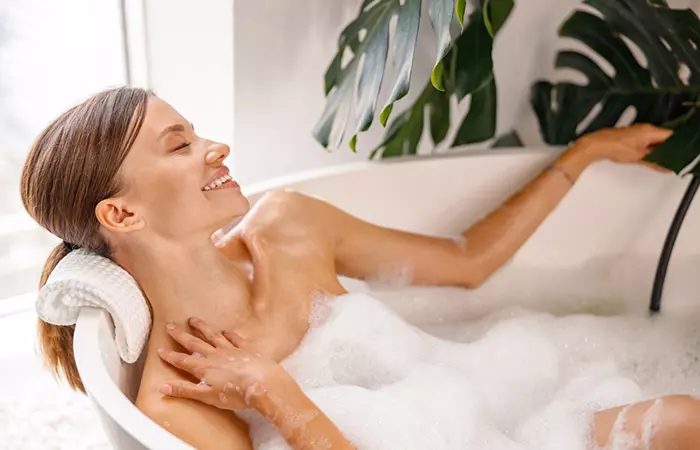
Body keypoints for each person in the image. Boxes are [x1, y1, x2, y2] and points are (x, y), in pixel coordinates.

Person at [20, 86, 699, 450]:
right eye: (181, 145)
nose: (216, 147)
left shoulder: (288, 226)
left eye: (198, 133)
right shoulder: (177, 400)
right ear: (122, 217)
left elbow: (468, 263)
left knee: (682, 418)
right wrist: (272, 395)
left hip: (506, 420)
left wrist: (584, 154)